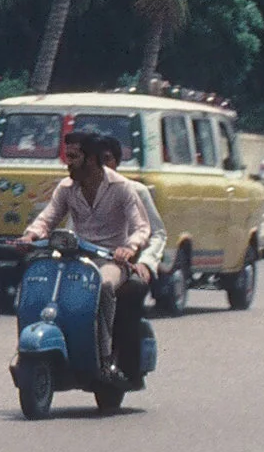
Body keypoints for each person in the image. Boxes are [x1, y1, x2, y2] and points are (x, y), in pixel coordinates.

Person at [20, 130, 154, 387]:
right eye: (66, 156)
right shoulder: (67, 188)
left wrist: (129, 247)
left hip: (111, 261)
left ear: (91, 159)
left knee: (102, 286)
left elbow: (141, 228)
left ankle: (104, 359)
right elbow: (48, 218)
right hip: (75, 259)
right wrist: (30, 236)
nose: (67, 162)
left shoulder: (122, 188)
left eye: (73, 156)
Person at [96, 138, 168, 286]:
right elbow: (72, 233)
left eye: (106, 159)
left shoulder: (137, 191)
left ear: (116, 162)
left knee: (117, 286)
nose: (101, 166)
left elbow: (157, 234)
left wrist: (146, 263)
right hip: (88, 265)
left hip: (123, 264)